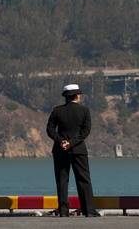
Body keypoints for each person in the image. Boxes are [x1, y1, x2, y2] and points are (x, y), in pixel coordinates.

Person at [46, 83, 99, 217]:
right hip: (79, 150)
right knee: (83, 179)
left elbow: (50, 129)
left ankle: (63, 211)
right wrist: (72, 143)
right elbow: (85, 132)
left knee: (62, 180)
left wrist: (61, 141)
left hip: (59, 150)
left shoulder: (57, 110)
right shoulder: (84, 111)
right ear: (76, 96)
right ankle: (89, 210)